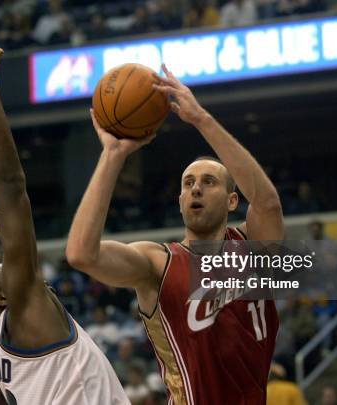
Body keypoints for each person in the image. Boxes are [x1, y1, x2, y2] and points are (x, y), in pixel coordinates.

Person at [66, 63, 283, 404]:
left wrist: (201, 120)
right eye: (188, 184)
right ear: (180, 201)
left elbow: (267, 202)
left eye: (208, 182)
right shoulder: (157, 263)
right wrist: (112, 156)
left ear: (231, 201)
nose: (196, 188)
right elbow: (81, 254)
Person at [0, 3, 128, 404]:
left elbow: (28, 262)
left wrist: (8, 237)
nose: (15, 260)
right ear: (4, 299)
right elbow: (8, 184)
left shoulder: (11, 347)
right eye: (7, 269)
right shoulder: (23, 314)